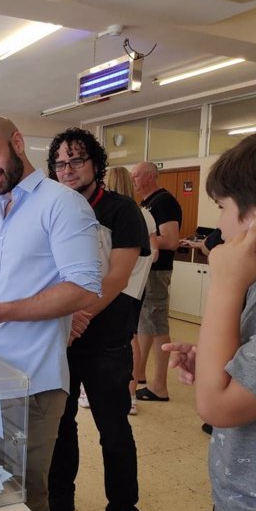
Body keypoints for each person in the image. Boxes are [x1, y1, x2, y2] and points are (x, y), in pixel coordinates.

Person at [0, 117, 102, 511]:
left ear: (18, 143)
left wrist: (1, 312)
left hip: (34, 382)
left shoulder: (62, 203)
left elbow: (84, 286)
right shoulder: (2, 213)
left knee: (24, 490)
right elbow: (8, 285)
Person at [163, 129, 256, 511]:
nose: (219, 226)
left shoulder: (240, 277)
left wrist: (223, 285)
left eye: (222, 207)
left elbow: (216, 407)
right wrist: (212, 359)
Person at [48, 128, 148, 511]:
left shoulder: (122, 211)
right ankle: (61, 501)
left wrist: (81, 315)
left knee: (114, 428)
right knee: (62, 425)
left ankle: (123, 504)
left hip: (106, 339)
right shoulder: (55, 209)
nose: (68, 169)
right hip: (63, 338)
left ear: (95, 164)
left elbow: (118, 276)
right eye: (60, 163)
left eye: (76, 160)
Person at [106, 166, 159, 415]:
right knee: (130, 338)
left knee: (123, 340)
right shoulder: (145, 214)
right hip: (135, 287)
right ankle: (130, 393)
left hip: (121, 287)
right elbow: (154, 251)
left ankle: (126, 395)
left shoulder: (118, 213)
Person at [130, 161, 182, 402]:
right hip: (146, 271)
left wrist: (140, 238)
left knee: (157, 324)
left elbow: (171, 240)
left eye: (136, 176)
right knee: (145, 323)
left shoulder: (164, 201)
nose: (133, 181)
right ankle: (139, 374)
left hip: (157, 272)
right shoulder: (146, 202)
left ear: (150, 177)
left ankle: (159, 386)